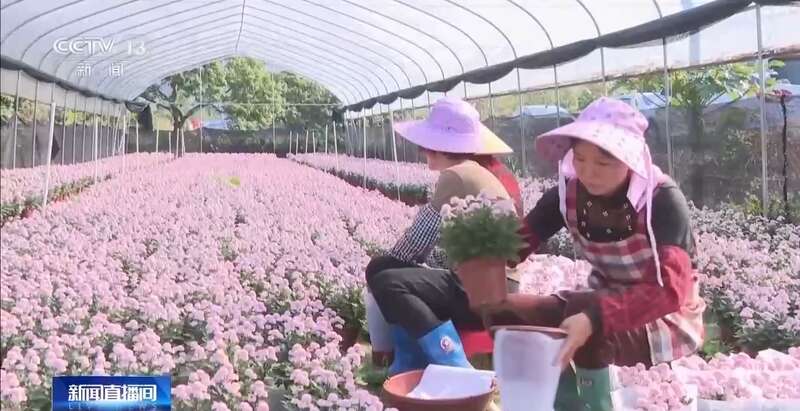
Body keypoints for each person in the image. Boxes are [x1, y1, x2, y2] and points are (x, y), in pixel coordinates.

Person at [485, 97, 706, 410]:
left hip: (663, 316)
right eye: (580, 158)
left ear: (631, 160)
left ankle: (596, 403)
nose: (589, 172)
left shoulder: (661, 201)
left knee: (584, 315)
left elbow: (670, 291)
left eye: (603, 163)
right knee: (502, 310)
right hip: (598, 302)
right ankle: (556, 400)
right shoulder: (567, 194)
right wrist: (479, 257)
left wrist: (594, 319)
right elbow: (515, 245)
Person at [364, 97, 523, 376]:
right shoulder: (472, 171)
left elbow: (416, 243)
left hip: (481, 291)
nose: (422, 151)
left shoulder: (456, 175)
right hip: (492, 284)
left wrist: (391, 267)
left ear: (435, 146)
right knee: (383, 269)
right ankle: (410, 360)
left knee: (386, 280)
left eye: (426, 145)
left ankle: (453, 363)